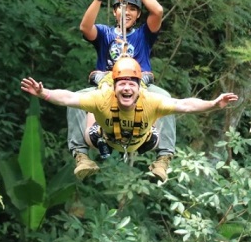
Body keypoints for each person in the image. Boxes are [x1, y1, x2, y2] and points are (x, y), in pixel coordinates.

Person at [26, 58, 238, 182]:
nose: (126, 88)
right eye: (122, 84)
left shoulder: (151, 100)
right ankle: (81, 156)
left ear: (138, 87)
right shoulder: (102, 98)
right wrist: (44, 93)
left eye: (131, 85)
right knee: (80, 102)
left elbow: (186, 105)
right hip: (105, 139)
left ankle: (163, 159)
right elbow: (68, 98)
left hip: (145, 141)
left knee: (167, 103)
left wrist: (212, 104)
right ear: (115, 87)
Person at [66, 0, 177, 181]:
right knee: (75, 100)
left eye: (133, 9)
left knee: (166, 99)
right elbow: (85, 27)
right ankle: (81, 156)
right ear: (115, 11)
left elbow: (158, 11)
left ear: (137, 15)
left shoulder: (144, 34)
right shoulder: (105, 34)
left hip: (140, 86)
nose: (127, 12)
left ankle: (163, 159)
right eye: (122, 7)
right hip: (107, 86)